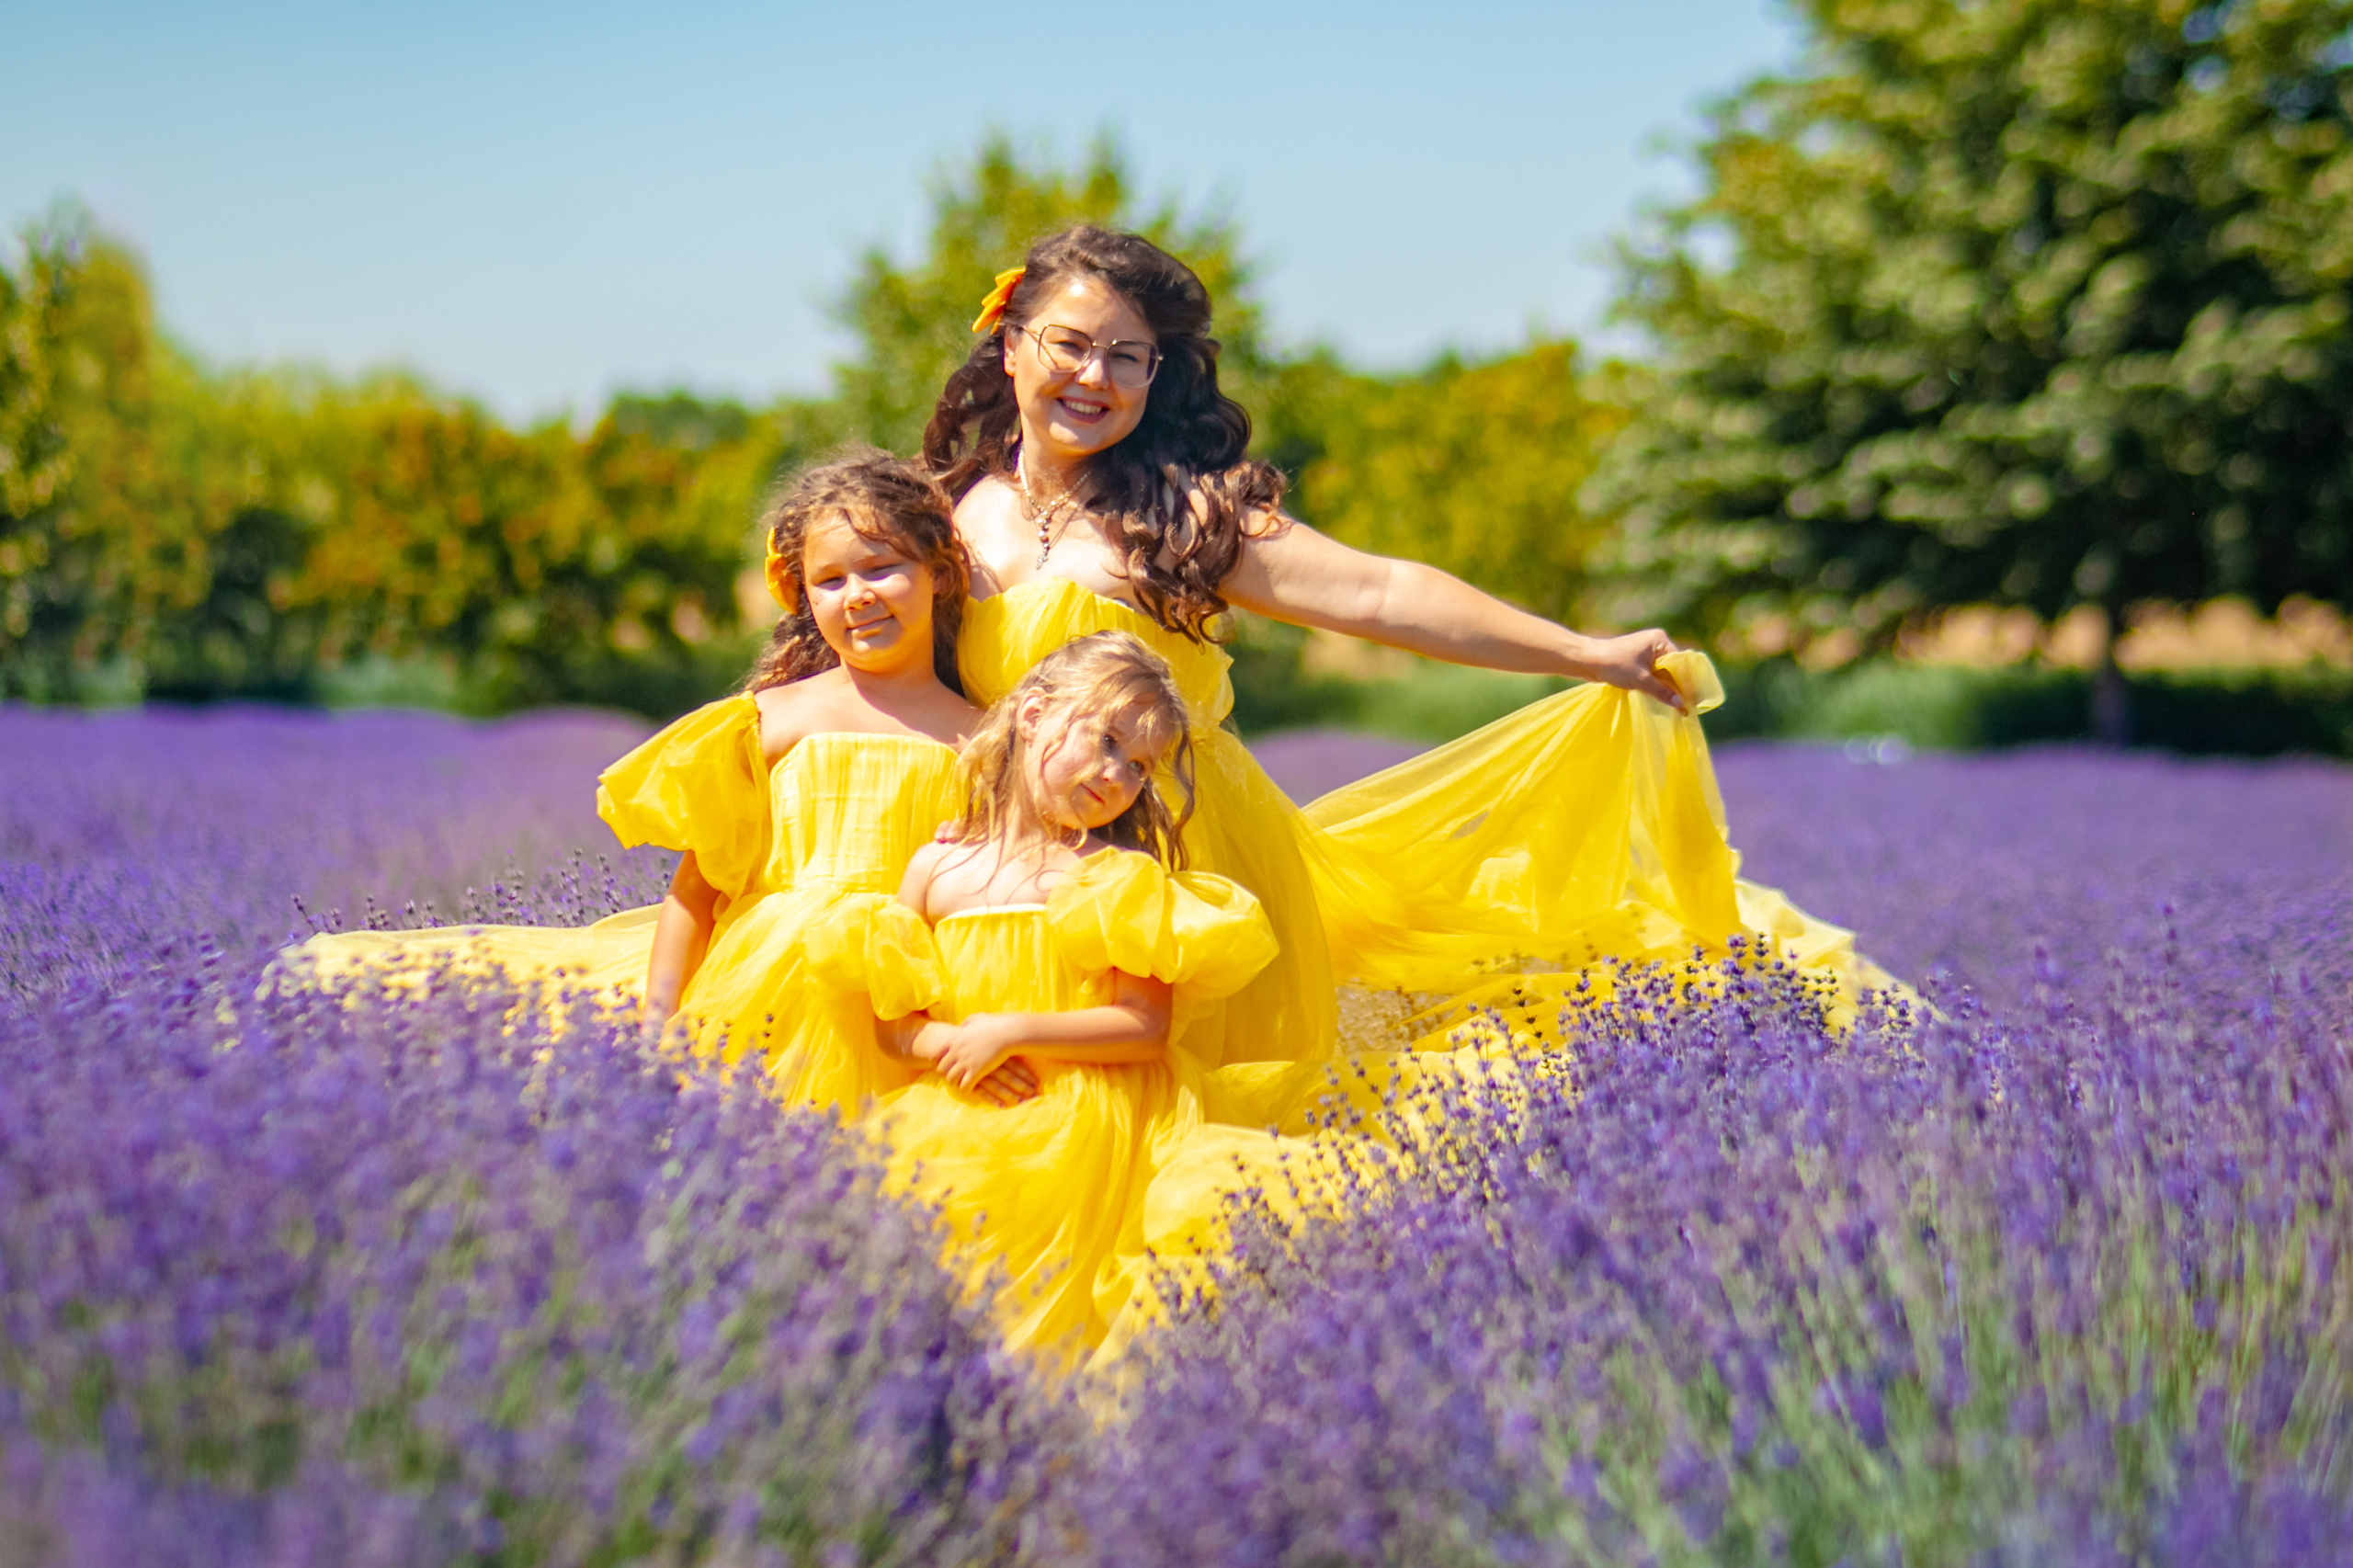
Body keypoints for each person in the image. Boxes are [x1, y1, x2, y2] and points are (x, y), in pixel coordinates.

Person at [930, 226, 1891, 1069]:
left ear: (1156, 378)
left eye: (1128, 357)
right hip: (1012, 865)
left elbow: (1383, 592)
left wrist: (1583, 651)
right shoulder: (945, 515)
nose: (1094, 376)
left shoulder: (1180, 518)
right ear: (1011, 347)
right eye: (1071, 344)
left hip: (1187, 849)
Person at [292, 450, 1039, 1109]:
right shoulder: (771, 720)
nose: (858, 596)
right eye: (831, 579)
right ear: (805, 595)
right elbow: (697, 890)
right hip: (768, 980)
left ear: (939, 575)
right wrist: (656, 1029)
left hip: (900, 1000)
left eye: (882, 569)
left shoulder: (985, 737)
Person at [839, 631, 1308, 1360]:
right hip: (964, 1106)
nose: (1118, 773)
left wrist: (1008, 1032)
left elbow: (1144, 1027)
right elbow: (894, 1021)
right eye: (1108, 739)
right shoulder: (937, 868)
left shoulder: (1116, 874)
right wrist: (946, 1044)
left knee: (1066, 1323)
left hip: (1098, 1121)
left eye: (1140, 765)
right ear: (1032, 715)